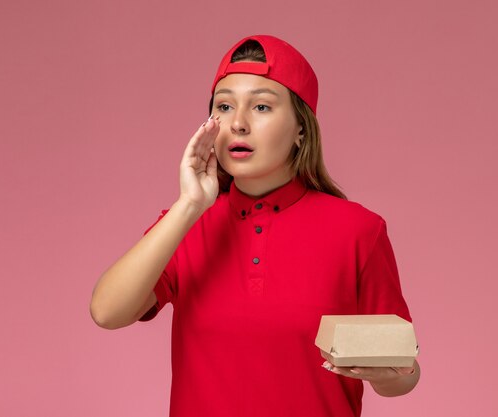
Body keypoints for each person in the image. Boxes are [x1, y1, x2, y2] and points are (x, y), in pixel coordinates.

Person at [90, 34, 420, 417]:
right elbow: (107, 312)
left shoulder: (359, 230)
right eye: (224, 106)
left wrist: (385, 374)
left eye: (262, 106)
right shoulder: (185, 225)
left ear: (301, 129)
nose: (239, 124)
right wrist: (189, 205)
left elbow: (404, 374)